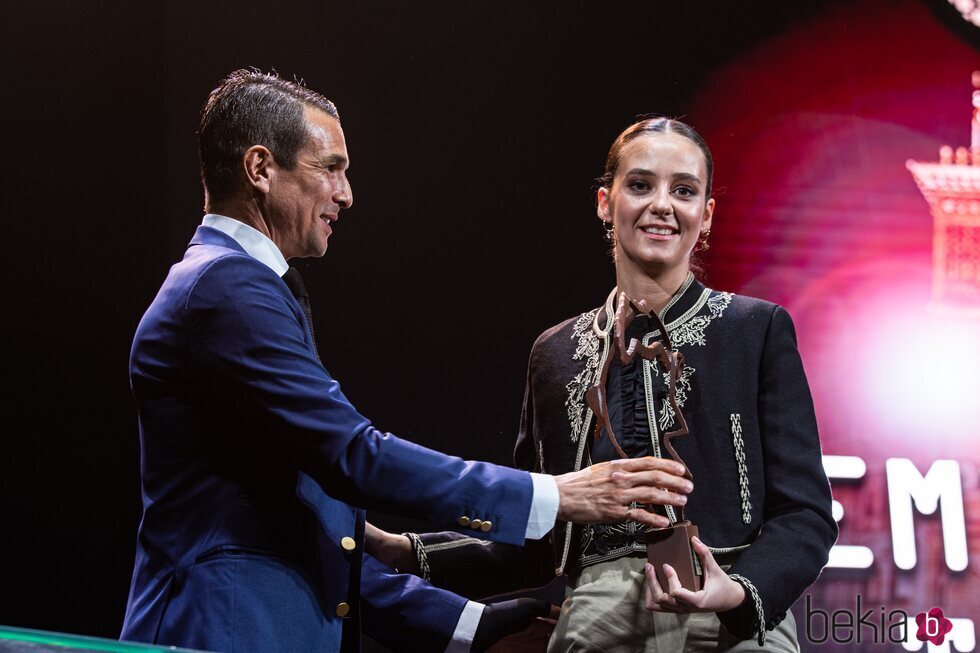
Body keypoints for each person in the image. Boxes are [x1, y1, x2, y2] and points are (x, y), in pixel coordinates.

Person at [119, 71, 694, 653]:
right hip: (222, 632)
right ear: (261, 169)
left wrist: (474, 627)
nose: (346, 194)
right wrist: (557, 496)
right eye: (331, 168)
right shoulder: (226, 288)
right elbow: (355, 455)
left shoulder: (236, 286)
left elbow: (296, 528)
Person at [371, 118, 838, 651]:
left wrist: (737, 592)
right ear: (604, 202)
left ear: (705, 214)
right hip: (597, 620)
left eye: (683, 190)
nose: (662, 204)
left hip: (735, 624)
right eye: (640, 185)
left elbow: (805, 514)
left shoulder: (754, 330)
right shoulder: (555, 351)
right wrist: (407, 550)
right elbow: (537, 534)